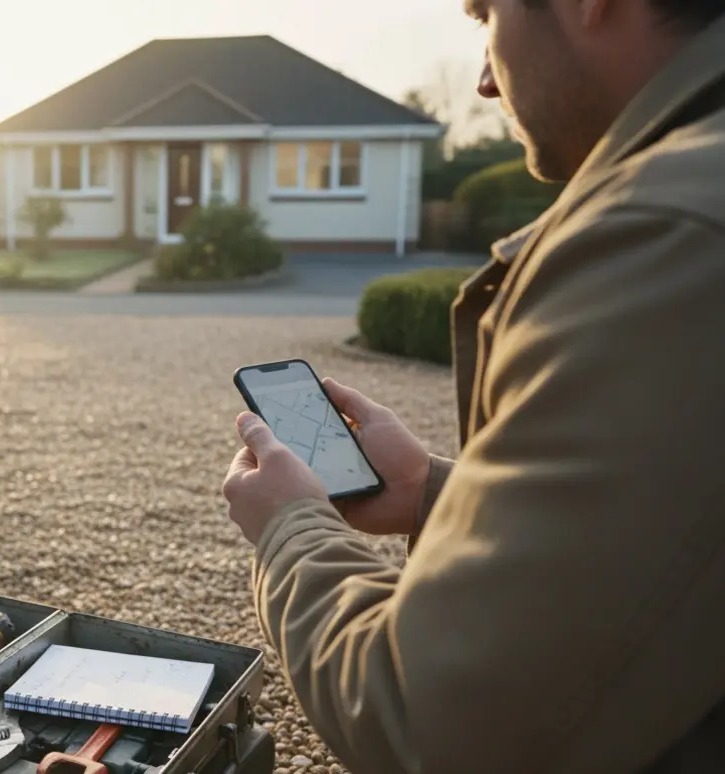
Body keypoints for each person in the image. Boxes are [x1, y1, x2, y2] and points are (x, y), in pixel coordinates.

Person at [220, 1, 725, 772]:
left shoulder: (670, 233)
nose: (485, 80)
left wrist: (291, 527)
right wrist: (434, 493)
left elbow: (435, 725)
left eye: (488, 14)